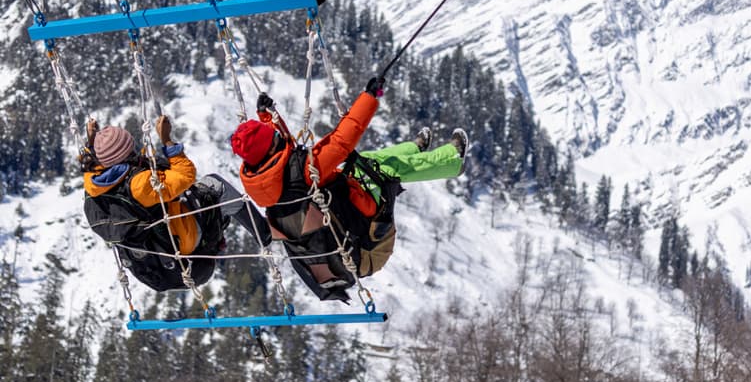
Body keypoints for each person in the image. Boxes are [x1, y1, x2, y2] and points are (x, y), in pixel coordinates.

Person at [231, 78, 468, 302]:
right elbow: (343, 140)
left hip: (341, 256)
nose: (277, 136)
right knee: (385, 170)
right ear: (272, 145)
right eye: (274, 136)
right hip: (367, 245)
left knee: (366, 161)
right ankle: (452, 160)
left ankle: (413, 149)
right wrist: (370, 96)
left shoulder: (263, 184)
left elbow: (280, 156)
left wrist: (267, 118)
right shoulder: (306, 170)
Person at [81, 114, 271, 292]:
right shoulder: (139, 184)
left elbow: (92, 162)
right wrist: (167, 140)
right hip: (180, 250)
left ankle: (223, 229)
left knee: (196, 198)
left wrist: (92, 142)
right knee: (215, 185)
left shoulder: (93, 183)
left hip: (151, 265)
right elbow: (186, 176)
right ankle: (264, 233)